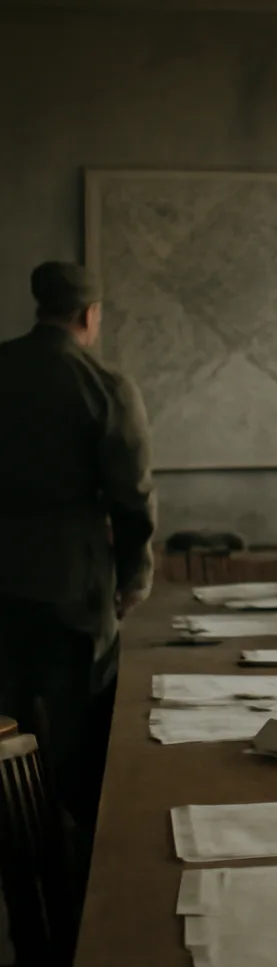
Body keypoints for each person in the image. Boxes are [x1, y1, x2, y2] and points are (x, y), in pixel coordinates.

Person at [0, 261, 157, 900]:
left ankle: (17, 868)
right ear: (89, 315)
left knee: (8, 732)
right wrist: (134, 576)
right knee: (77, 741)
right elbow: (132, 496)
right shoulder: (104, 383)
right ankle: (76, 888)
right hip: (73, 585)